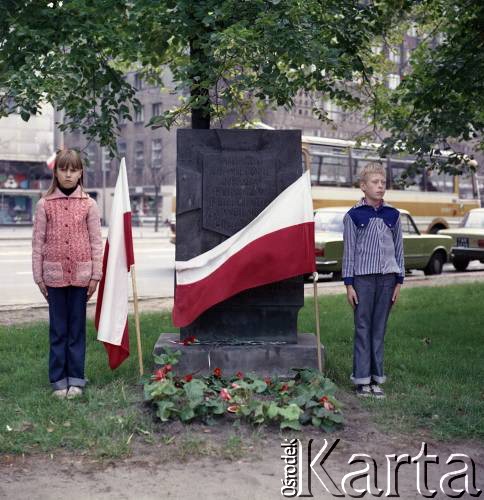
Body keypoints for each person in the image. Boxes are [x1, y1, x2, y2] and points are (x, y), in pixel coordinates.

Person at [32, 149, 103, 399]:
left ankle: (76, 380)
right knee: (58, 330)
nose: (69, 174)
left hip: (82, 277)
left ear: (81, 172)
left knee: (77, 329)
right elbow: (37, 243)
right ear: (56, 172)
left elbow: (96, 242)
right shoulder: (44, 205)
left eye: (73, 170)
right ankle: (58, 380)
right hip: (54, 277)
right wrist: (39, 277)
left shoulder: (89, 204)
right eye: (64, 169)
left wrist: (95, 276)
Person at [342, 163, 404, 399]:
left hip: (388, 280)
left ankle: (377, 379)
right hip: (363, 281)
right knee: (363, 327)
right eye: (375, 183)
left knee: (379, 329)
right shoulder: (354, 216)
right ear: (363, 186)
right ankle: (361, 380)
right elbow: (349, 253)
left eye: (383, 183)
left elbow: (399, 250)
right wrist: (349, 284)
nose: (380, 187)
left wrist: (399, 281)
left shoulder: (393, 215)